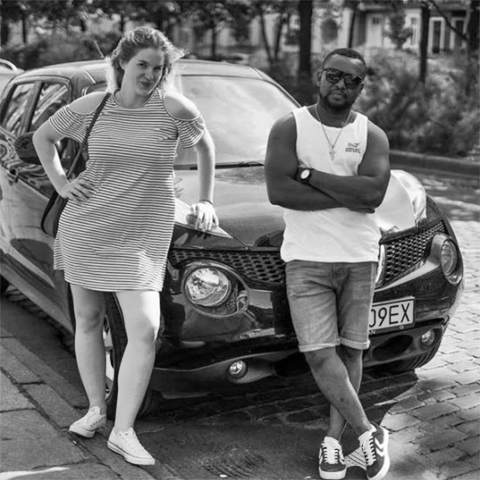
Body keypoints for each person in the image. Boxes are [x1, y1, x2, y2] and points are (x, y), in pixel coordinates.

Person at [33, 27, 218, 466]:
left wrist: (207, 200)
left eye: (159, 68)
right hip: (87, 227)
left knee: (144, 329)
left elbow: (205, 149)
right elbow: (43, 137)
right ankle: (95, 409)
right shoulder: (93, 106)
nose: (151, 75)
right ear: (121, 64)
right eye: (142, 65)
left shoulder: (173, 108)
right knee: (88, 320)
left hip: (141, 236)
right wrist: (62, 183)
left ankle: (124, 430)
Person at [264, 48, 391, 480]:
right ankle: (369, 432)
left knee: (352, 350)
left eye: (352, 80)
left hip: (358, 257)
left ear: (361, 87)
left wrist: (309, 175)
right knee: (319, 354)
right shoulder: (290, 127)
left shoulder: (372, 135)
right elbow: (280, 192)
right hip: (306, 259)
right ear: (320, 76)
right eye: (334, 75)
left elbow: (371, 196)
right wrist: (348, 192)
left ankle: (334, 441)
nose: (341, 84)